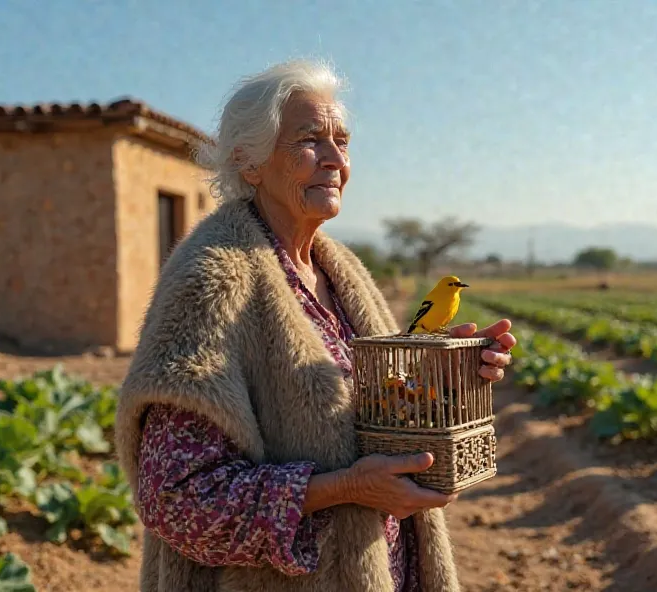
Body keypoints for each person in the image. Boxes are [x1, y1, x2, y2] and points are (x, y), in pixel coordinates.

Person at [114, 59, 516, 592]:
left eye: (342, 141)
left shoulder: (338, 267)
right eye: (309, 141)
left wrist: (446, 375)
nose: (335, 160)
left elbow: (372, 411)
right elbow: (180, 501)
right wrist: (346, 487)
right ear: (247, 162)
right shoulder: (213, 279)